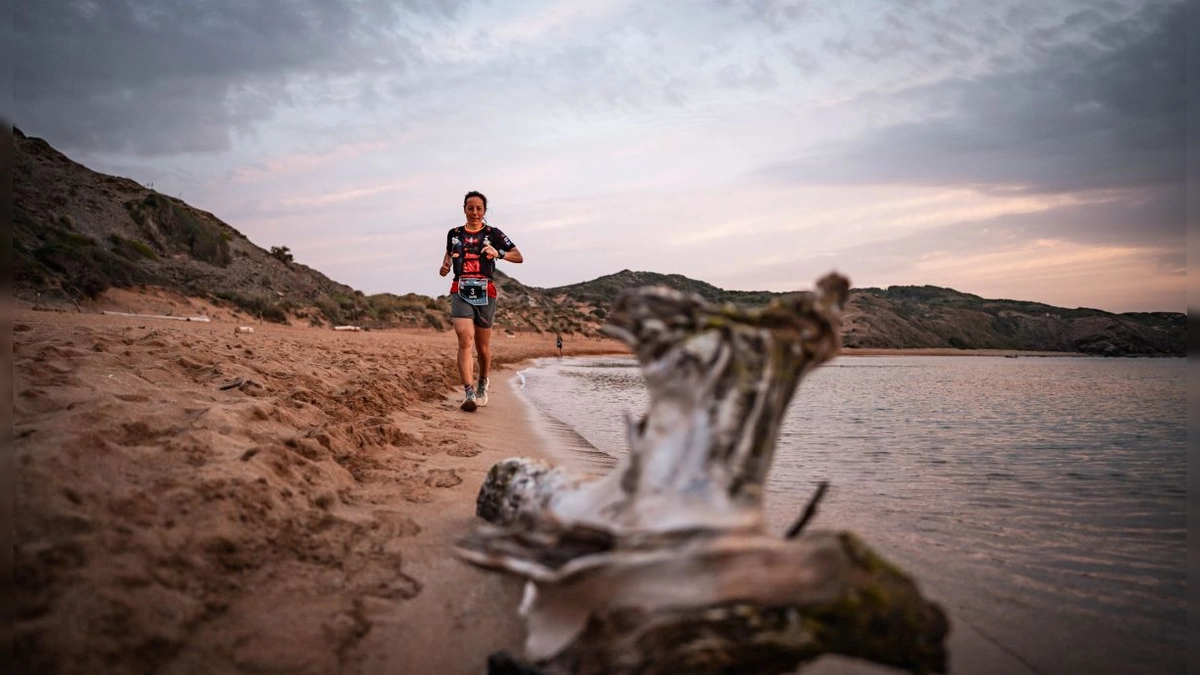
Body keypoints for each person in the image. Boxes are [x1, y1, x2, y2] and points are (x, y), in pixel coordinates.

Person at [439, 191, 523, 412]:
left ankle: (483, 381)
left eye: (479, 208)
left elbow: (518, 256)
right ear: (464, 209)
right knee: (465, 339)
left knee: (482, 348)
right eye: (470, 208)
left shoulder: (493, 233)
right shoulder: (454, 233)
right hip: (460, 288)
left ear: (485, 211)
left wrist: (498, 253)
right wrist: (445, 266)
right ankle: (468, 393)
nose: (474, 212)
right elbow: (448, 254)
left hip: (486, 291)